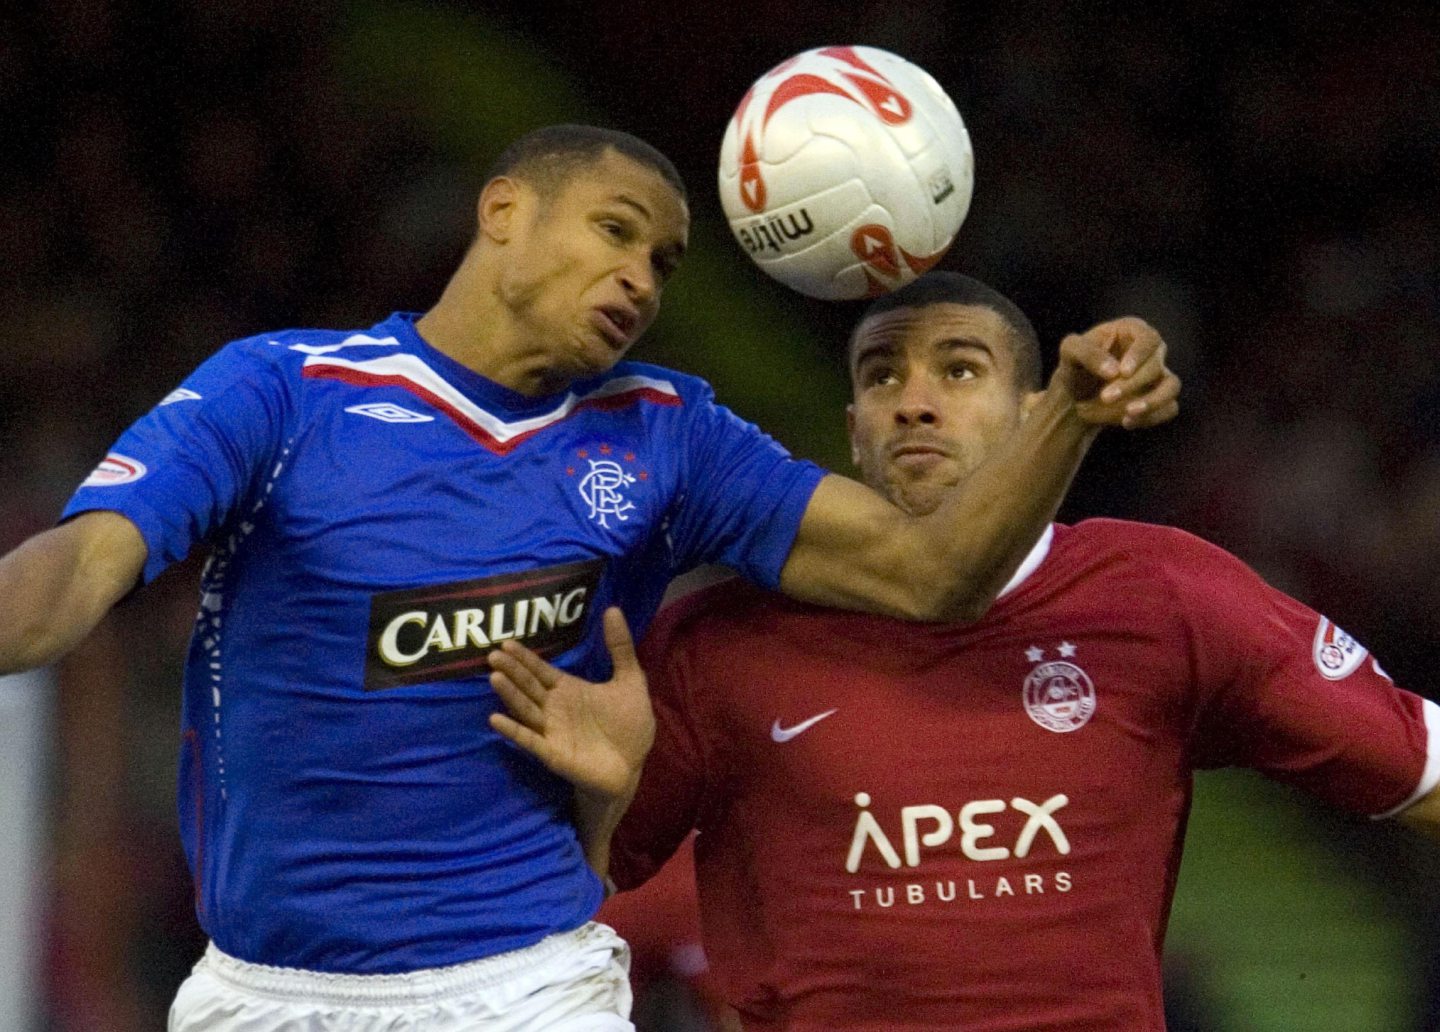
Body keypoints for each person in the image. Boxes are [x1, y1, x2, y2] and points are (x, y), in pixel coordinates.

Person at [0, 123, 1177, 1032]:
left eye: (664, 262)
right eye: (616, 232)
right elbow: (75, 575)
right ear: (503, 210)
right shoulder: (286, 393)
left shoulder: (666, 433)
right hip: (263, 989)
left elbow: (934, 574)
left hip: (525, 982)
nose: (641, 280)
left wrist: (1064, 417)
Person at [487, 271, 1440, 1031]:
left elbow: (1420, 770)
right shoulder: (716, 640)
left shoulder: (1163, 596)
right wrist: (597, 802)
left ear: (1034, 413)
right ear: (853, 433)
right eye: (881, 376)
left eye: (960, 369)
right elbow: (556, 905)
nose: (913, 402)